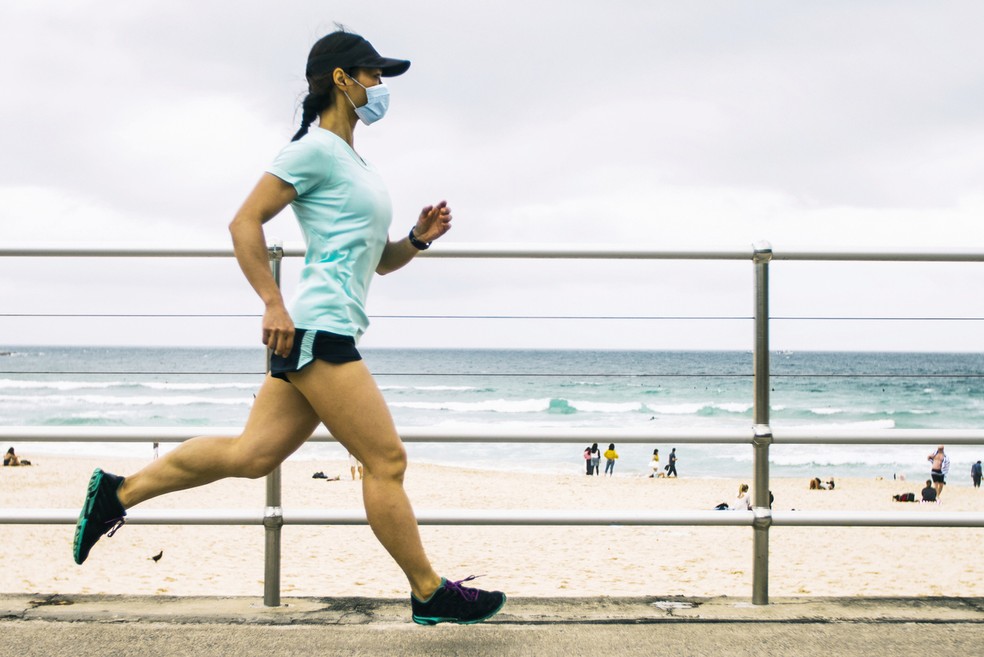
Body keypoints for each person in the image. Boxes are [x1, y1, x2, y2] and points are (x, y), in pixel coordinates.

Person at [70, 29, 505, 626]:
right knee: (387, 461)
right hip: (317, 330)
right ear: (341, 79)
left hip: (326, 328)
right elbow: (244, 222)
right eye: (373, 75)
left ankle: (116, 494)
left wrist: (417, 240)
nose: (381, 88)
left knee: (252, 456)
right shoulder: (312, 150)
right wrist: (272, 302)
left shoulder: (355, 161)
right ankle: (429, 591)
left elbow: (378, 260)